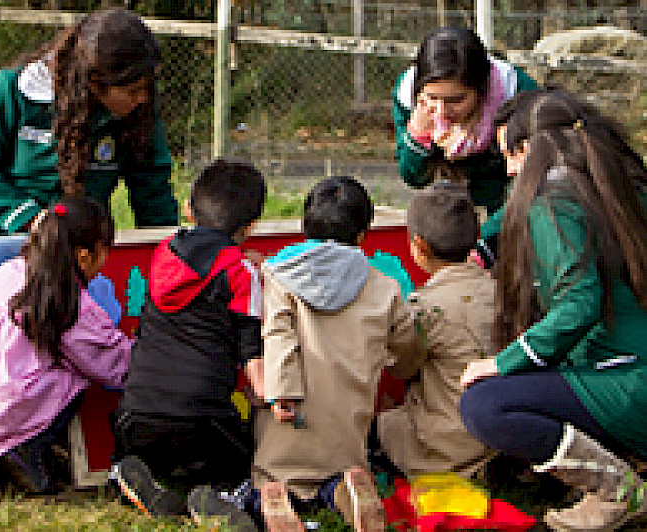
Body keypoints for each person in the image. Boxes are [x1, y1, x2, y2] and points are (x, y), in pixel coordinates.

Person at [458, 90, 647, 532]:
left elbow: (579, 303)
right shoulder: (623, 184)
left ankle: (619, 490)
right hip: (634, 364)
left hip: (631, 381)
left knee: (485, 405)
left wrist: (502, 362)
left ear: (532, 150)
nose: (508, 170)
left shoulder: (552, 203)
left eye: (509, 155)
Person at [0, 8, 178, 331]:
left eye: (146, 88)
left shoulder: (137, 117)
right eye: (132, 90)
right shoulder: (17, 90)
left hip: (61, 240)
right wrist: (30, 217)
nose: (142, 98)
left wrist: (173, 258)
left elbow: (153, 195)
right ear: (95, 82)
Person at [238, 176, 419, 532]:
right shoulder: (385, 287)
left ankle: (274, 501)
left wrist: (281, 392)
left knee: (271, 479)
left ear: (305, 227)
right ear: (363, 235)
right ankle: (346, 491)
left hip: (288, 417)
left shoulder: (278, 275)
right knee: (339, 475)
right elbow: (407, 349)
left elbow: (278, 333)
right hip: (347, 429)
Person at [109, 158, 264, 530]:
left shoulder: (163, 254)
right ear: (250, 226)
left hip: (136, 420)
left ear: (189, 209)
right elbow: (253, 364)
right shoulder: (240, 274)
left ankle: (129, 471)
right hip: (204, 423)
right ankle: (222, 496)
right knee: (245, 459)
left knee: (151, 442)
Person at [0, 197, 131, 499]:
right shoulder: (69, 303)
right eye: (105, 250)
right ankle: (27, 450)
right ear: (84, 256)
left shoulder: (8, 272)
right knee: (77, 374)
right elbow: (115, 365)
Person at [370, 181, 494, 479]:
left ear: (419, 245)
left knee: (381, 424)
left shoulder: (425, 307)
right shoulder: (502, 291)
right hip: (500, 436)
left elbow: (402, 368)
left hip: (448, 446)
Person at [392, 27, 536, 267]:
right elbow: (413, 177)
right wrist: (417, 137)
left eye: (456, 100)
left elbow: (530, 189)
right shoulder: (409, 97)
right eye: (432, 97)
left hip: (513, 199)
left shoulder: (520, 97)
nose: (442, 111)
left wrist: (487, 244)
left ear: (482, 91)